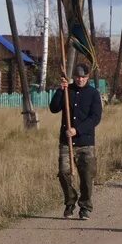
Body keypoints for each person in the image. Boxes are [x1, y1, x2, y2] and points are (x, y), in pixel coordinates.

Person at [49, 64, 102, 220]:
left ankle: (85, 207)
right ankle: (70, 201)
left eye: (83, 77)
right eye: (78, 77)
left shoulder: (93, 94)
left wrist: (77, 130)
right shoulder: (66, 90)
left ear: (88, 77)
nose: (80, 80)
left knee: (86, 176)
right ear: (74, 77)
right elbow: (53, 108)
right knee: (64, 173)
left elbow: (95, 117)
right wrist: (60, 90)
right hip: (66, 142)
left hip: (86, 142)